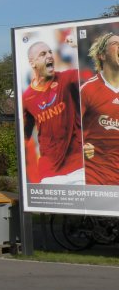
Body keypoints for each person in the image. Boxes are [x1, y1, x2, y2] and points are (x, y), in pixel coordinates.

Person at [21, 40, 84, 184]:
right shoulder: (27, 98)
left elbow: (94, 71)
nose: (49, 56)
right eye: (43, 54)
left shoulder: (67, 79)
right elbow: (24, 136)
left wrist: (78, 47)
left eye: (50, 52)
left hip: (77, 167)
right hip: (49, 171)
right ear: (32, 63)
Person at [79, 32, 119, 185]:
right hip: (97, 180)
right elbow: (70, 132)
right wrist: (80, 147)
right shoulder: (87, 90)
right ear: (102, 55)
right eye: (115, 43)